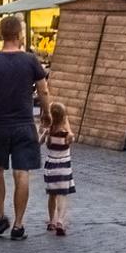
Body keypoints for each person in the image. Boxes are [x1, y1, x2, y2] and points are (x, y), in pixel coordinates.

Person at [0, 14, 50, 241]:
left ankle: (0, 216)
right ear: (19, 35)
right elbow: (44, 90)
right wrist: (46, 114)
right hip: (24, 124)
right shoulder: (30, 60)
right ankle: (18, 224)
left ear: (1, 35)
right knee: (22, 173)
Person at [42, 101, 76, 236]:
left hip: (51, 169)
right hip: (63, 168)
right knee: (63, 195)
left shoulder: (48, 133)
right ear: (64, 118)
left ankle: (51, 221)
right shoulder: (67, 136)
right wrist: (66, 125)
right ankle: (60, 221)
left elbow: (38, 142)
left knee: (52, 196)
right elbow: (71, 136)